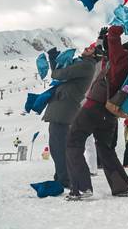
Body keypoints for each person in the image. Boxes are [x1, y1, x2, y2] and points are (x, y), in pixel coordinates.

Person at [65, 26, 128, 200]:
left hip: (94, 108)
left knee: (74, 142)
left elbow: (113, 40)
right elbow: (107, 49)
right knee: (106, 148)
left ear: (126, 49)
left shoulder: (121, 59)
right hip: (110, 113)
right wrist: (103, 37)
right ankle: (122, 187)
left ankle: (81, 188)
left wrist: (117, 30)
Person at [42, 44, 98, 188]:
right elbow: (60, 72)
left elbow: (59, 74)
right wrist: (53, 59)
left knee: (58, 147)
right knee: (57, 146)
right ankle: (61, 176)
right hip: (61, 108)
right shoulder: (81, 63)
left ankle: (65, 179)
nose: (88, 47)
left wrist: (55, 65)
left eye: (92, 48)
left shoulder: (86, 66)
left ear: (95, 55)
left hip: (63, 109)